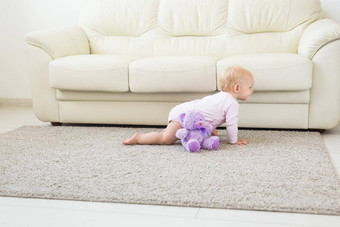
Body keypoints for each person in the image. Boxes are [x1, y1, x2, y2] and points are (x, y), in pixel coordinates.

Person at [123, 65, 254, 146]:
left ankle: (168, 130)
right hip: (184, 116)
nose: (251, 91)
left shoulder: (221, 97)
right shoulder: (232, 103)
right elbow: (231, 125)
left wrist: (212, 128)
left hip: (183, 110)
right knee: (165, 140)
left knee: (170, 132)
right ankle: (139, 138)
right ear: (237, 87)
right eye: (250, 87)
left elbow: (210, 114)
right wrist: (233, 141)